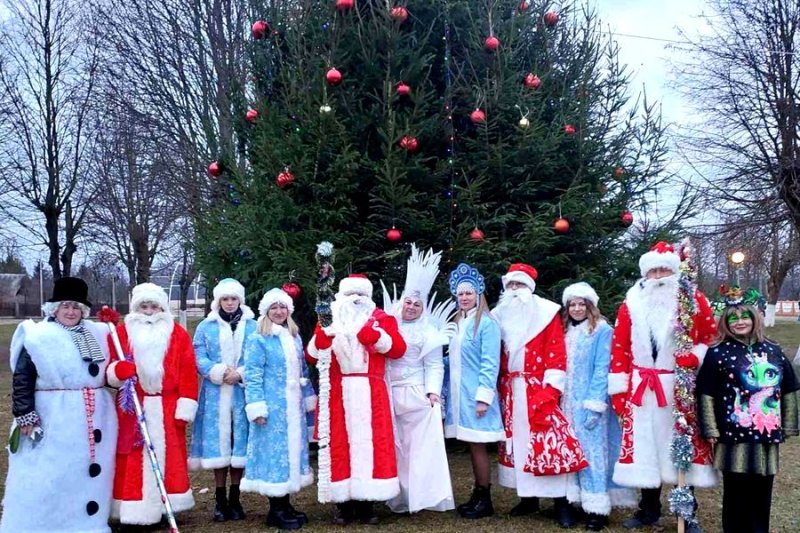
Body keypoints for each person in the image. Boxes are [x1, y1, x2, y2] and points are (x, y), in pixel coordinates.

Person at [608, 242, 717, 531]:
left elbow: (709, 336)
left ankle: (687, 512)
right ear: (646, 274)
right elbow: (619, 350)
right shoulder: (630, 304)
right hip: (641, 389)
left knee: (681, 449)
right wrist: (619, 393)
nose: (659, 276)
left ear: (674, 271)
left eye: (664, 270)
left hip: (678, 388)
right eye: (653, 271)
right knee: (646, 450)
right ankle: (648, 510)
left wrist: (695, 356)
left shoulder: (691, 300)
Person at [1, 277, 118, 533]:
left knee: (84, 471)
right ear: (54, 308)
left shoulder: (98, 333)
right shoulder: (38, 335)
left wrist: (119, 374)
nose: (71, 312)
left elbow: (109, 370)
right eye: (65, 306)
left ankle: (85, 524)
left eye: (76, 307)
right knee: (49, 473)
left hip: (94, 415)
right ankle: (41, 525)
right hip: (53, 414)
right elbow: (23, 377)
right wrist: (25, 414)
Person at [306, 273, 407, 525]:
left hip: (372, 391)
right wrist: (321, 342)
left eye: (361, 295)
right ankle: (343, 503)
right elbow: (311, 355)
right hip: (338, 392)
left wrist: (377, 339)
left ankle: (367, 502)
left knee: (373, 444)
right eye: (351, 294)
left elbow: (398, 349)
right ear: (341, 296)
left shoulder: (381, 319)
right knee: (341, 445)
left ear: (369, 297)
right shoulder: (328, 319)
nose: (356, 299)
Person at [492, 264, 588, 528]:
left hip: (538, 389)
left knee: (548, 445)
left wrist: (550, 390)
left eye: (519, 285)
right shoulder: (497, 316)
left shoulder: (546, 314)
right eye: (510, 285)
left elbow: (556, 354)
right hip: (510, 390)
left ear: (529, 288)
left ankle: (560, 502)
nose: (514, 290)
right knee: (519, 447)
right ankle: (528, 497)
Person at [697, 287, 799, 533]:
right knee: (736, 493)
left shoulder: (773, 350)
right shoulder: (717, 353)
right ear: (726, 323)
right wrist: (710, 427)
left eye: (745, 317)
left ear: (754, 318)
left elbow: (789, 388)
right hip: (733, 436)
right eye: (733, 319)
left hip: (767, 434)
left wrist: (789, 424)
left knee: (762, 491)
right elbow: (705, 392)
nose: (740, 322)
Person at [106, 282, 199, 526]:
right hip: (132, 405)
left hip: (167, 406)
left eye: (154, 306)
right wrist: (117, 371)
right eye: (144, 306)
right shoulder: (120, 335)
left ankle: (164, 507)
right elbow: (109, 370)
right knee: (132, 457)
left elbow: (189, 372)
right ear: (136, 308)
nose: (148, 312)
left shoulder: (178, 334)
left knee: (169, 457)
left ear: (162, 308)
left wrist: (186, 405)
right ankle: (132, 510)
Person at [382, 245, 456, 513]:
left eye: (416, 304)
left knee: (420, 448)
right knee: (396, 446)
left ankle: (422, 495)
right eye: (408, 302)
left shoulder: (430, 331)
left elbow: (435, 365)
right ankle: (397, 495)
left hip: (416, 393)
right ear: (401, 303)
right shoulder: (386, 325)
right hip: (388, 392)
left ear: (422, 307)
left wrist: (433, 392)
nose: (411, 307)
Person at [560, 282, 636, 531]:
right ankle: (575, 501)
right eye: (573, 304)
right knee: (572, 452)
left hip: (591, 404)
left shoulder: (602, 330)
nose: (577, 308)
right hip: (566, 404)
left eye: (582, 304)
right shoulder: (565, 331)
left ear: (590, 306)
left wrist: (594, 403)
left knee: (593, 454)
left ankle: (597, 508)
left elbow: (604, 368)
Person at [241, 288, 317, 529]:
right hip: (272, 407)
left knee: (291, 453)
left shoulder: (293, 336)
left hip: (292, 408)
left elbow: (303, 371)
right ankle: (275, 509)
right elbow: (252, 374)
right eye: (273, 308)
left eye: (282, 307)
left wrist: (307, 399)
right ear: (266, 311)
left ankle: (286, 504)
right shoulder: (257, 338)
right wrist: (257, 407)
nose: (278, 311)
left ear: (288, 310)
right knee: (274, 456)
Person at [189, 278, 257, 521]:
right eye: (225, 299)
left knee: (239, 443)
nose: (229, 303)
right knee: (219, 446)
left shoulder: (253, 326)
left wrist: (240, 373)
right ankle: (219, 500)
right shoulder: (206, 327)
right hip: (215, 394)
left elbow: (258, 355)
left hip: (242, 392)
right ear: (218, 301)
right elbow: (198, 355)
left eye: (233, 299)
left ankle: (235, 499)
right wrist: (217, 371)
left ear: (240, 300)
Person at [444, 262, 503, 519]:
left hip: (476, 396)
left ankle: (485, 498)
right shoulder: (458, 323)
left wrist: (483, 398)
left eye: (469, 293)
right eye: (460, 294)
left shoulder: (487, 324)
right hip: (460, 396)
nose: (464, 298)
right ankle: (478, 494)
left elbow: (491, 362)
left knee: (479, 446)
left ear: (478, 294)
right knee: (471, 444)